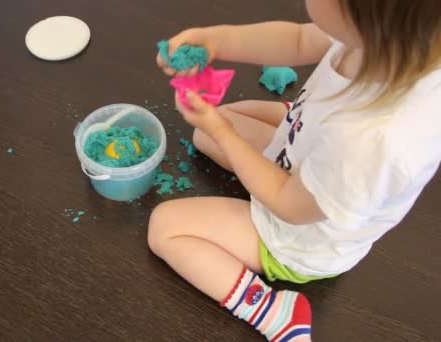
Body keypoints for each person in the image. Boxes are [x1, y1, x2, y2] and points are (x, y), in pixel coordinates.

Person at [148, 1, 441, 341]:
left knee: (165, 227)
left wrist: (223, 133)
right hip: (309, 162)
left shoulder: (372, 141)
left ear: (364, 17)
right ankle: (307, 119)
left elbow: (289, 205)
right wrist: (216, 40)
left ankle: (273, 313)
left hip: (297, 236)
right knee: (206, 130)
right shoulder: (386, 39)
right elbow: (300, 40)